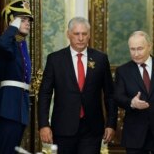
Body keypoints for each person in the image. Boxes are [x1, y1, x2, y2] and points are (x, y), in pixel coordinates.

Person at [38, 16, 118, 154]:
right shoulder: (55, 59)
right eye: (76, 34)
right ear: (68, 34)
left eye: (84, 34)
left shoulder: (100, 58)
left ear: (89, 35)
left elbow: (110, 95)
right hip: (63, 127)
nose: (80, 38)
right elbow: (45, 94)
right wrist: (44, 125)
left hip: (92, 128)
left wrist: (111, 124)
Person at [0, 0, 33, 154]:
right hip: (9, 106)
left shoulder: (21, 44)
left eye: (28, 20)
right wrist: (12, 27)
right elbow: (2, 43)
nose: (27, 23)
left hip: (20, 106)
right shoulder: (8, 44)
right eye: (22, 19)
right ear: (12, 22)